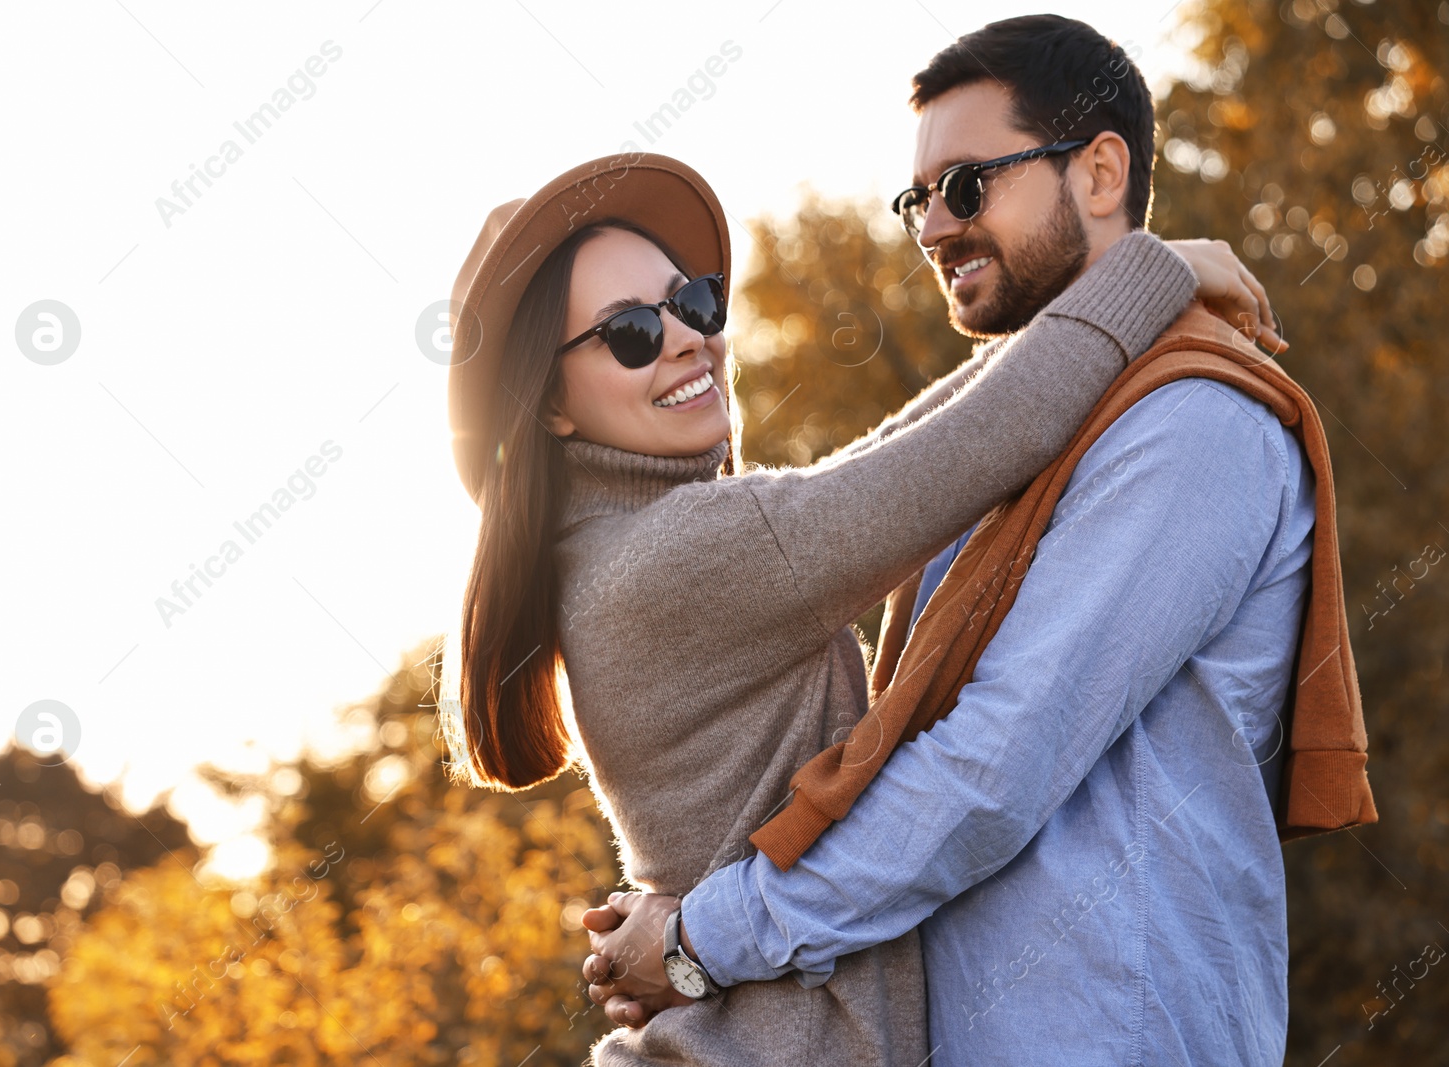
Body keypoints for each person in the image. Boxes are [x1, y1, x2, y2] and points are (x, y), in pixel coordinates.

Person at [579, 16, 1376, 1066]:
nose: (934, 230)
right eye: (917, 202)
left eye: (965, 187)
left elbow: (992, 766)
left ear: (1098, 174)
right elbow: (911, 455)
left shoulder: (1189, 425)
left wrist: (699, 939)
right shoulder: (1024, 447)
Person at [443, 138, 1275, 1062]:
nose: (686, 336)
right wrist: (1152, 270)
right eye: (631, 331)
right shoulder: (680, 555)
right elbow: (986, 440)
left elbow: (913, 448)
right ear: (550, 405)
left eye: (694, 301)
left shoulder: (626, 550)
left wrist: (1131, 286)